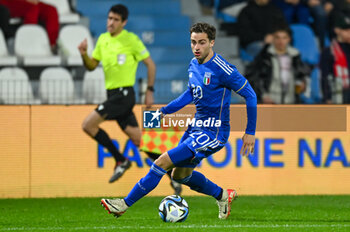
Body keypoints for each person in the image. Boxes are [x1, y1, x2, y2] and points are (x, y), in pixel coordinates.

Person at [100, 22, 257, 219]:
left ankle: (123, 204)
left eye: (201, 42)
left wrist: (250, 132)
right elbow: (190, 94)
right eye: (193, 42)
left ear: (212, 43)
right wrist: (163, 112)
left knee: (161, 162)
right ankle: (223, 195)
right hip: (195, 127)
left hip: (214, 132)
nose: (196, 47)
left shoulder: (223, 69)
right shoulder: (193, 64)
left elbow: (250, 95)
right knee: (180, 176)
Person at [78, 4, 156, 183]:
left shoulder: (131, 40)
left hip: (124, 95)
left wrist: (149, 91)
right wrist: (83, 54)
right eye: (109, 18)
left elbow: (151, 64)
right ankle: (172, 172)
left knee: (88, 125)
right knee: (140, 140)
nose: (110, 22)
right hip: (112, 96)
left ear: (124, 22)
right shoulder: (103, 39)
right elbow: (91, 66)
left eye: (115, 20)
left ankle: (120, 160)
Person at [245, 25, 310, 104]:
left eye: (284, 37)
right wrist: (263, 95)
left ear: (289, 39)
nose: (281, 41)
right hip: (269, 102)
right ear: (273, 39)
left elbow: (301, 77)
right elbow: (254, 77)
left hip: (291, 102)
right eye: (277, 37)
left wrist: (302, 85)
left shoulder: (295, 56)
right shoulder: (264, 57)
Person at [321, 12, 350, 103]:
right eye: (347, 30)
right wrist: (327, 97)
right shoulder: (329, 51)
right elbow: (325, 76)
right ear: (337, 30)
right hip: (338, 93)